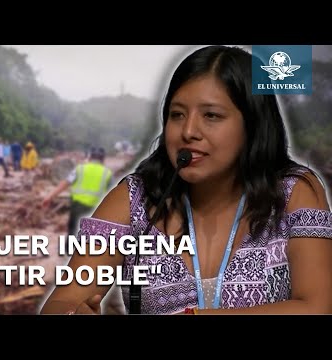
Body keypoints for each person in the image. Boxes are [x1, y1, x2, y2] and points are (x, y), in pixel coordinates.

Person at [40, 45, 332, 315]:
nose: (188, 131)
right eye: (177, 114)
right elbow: (63, 300)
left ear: (253, 126)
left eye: (212, 116)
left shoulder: (296, 191)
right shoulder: (133, 199)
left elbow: (318, 307)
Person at [42, 146, 113, 236]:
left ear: (90, 157)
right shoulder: (107, 173)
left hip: (77, 207)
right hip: (96, 209)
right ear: (103, 159)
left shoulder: (79, 169)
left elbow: (65, 183)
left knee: (73, 232)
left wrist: (49, 197)